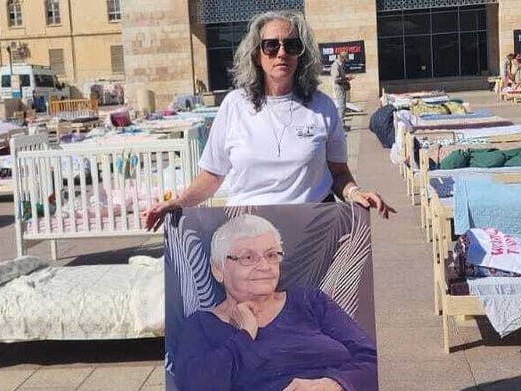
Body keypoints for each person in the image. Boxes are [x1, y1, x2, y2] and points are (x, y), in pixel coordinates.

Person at [143, 10, 394, 231]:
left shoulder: (323, 107)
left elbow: (338, 173)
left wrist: (354, 192)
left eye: (291, 45)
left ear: (301, 54)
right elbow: (212, 175)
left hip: (312, 233)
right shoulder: (234, 105)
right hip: (246, 234)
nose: (281, 53)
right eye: (271, 46)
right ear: (257, 55)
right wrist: (178, 202)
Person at [173, 214, 379, 391]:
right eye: (248, 257)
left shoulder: (309, 301)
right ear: (218, 269)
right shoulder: (203, 325)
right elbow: (197, 385)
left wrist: (334, 385)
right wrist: (245, 335)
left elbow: (373, 360)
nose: (265, 266)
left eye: (271, 255)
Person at [331, 51, 353, 129]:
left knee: (343, 106)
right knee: (341, 107)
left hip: (342, 86)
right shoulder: (336, 65)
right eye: (345, 60)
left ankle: (342, 124)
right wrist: (346, 79)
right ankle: (340, 126)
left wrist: (346, 79)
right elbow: (336, 79)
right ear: (342, 58)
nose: (345, 62)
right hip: (339, 87)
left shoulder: (340, 65)